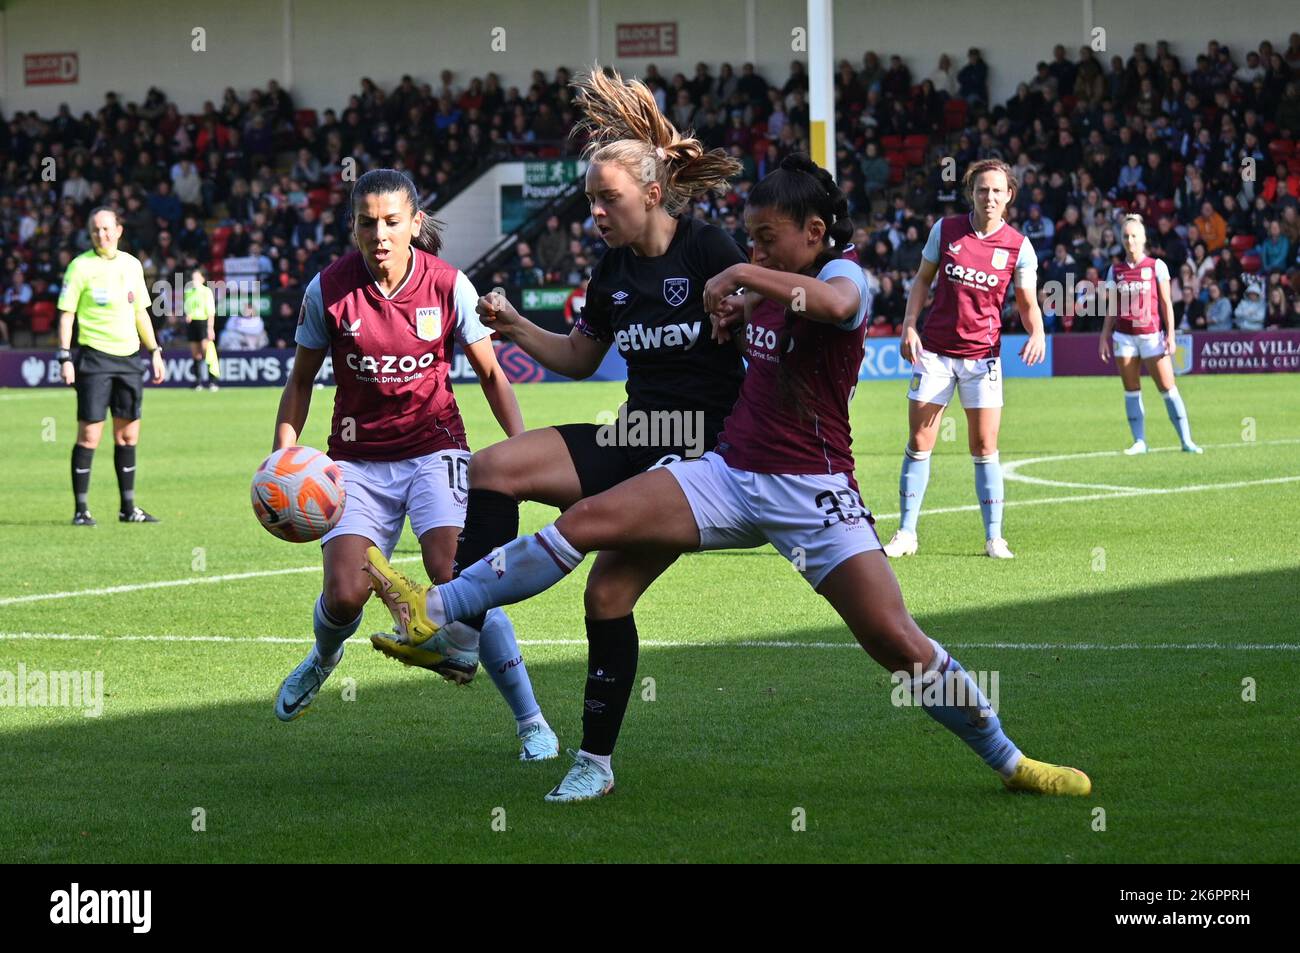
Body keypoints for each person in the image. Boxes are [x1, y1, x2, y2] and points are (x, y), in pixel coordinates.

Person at [365, 154, 1091, 803]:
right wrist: (737, 308)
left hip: (816, 493)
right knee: (584, 528)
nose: (752, 248)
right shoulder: (733, 282)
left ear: (813, 230)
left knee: (895, 641)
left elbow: (837, 308)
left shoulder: (842, 274)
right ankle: (442, 610)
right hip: (728, 470)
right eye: (749, 239)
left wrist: (742, 279)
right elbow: (709, 333)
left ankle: (1010, 759)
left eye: (767, 237)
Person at [368, 66, 747, 801]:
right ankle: (464, 634)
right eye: (590, 201)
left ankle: (594, 763)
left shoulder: (708, 248)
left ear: (653, 193)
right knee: (495, 466)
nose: (596, 213)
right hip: (637, 433)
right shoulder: (610, 272)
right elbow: (580, 358)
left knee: (605, 593)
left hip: (700, 454)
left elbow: (762, 323)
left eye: (609, 199)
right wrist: (515, 328)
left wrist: (745, 316)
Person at [270, 169, 556, 762]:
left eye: (391, 221)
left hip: (435, 448)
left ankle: (531, 721)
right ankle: (324, 658)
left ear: (414, 224)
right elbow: (301, 380)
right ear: (353, 225)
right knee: (346, 594)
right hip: (357, 460)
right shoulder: (328, 289)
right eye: (367, 222)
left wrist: (524, 451)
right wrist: (284, 455)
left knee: (457, 573)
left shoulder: (449, 284)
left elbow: (492, 374)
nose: (379, 233)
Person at [882, 159, 1046, 561]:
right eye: (982, 190)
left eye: (997, 191)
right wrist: (909, 324)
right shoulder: (946, 230)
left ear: (1009, 196)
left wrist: (1037, 331)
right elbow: (922, 279)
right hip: (934, 353)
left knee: (984, 445)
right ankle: (906, 533)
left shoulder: (1019, 247)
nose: (989, 198)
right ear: (971, 192)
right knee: (920, 442)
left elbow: (1027, 304)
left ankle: (994, 537)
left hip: (982, 359)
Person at [56, 207, 165, 526]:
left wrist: (154, 350)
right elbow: (67, 314)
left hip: (129, 359)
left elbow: (141, 313)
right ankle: (81, 509)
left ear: (118, 230)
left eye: (106, 229)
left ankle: (128, 508)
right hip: (94, 359)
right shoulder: (79, 267)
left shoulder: (132, 265)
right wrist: (64, 356)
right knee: (89, 435)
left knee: (128, 437)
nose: (101, 235)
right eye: (95, 230)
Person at [1099, 215, 1203, 455]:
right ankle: (1139, 441)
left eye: (1134, 236)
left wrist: (1171, 335)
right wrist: (1104, 336)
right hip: (1123, 337)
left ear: (1143, 238)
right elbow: (1112, 308)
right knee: (1131, 389)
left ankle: (1186, 441)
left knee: (1168, 387)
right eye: (1126, 236)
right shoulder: (1115, 270)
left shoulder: (1156, 266)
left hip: (1151, 336)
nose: (1130, 240)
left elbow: (1166, 303)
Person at [184, 268, 218, 391]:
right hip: (193, 324)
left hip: (203, 323)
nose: (195, 281)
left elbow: (211, 312)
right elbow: (188, 307)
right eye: (193, 278)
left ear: (203, 279)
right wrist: (188, 314)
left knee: (207, 352)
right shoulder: (188, 292)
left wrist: (210, 328)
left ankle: (212, 381)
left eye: (197, 278)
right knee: (195, 353)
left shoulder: (206, 292)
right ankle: (198, 381)